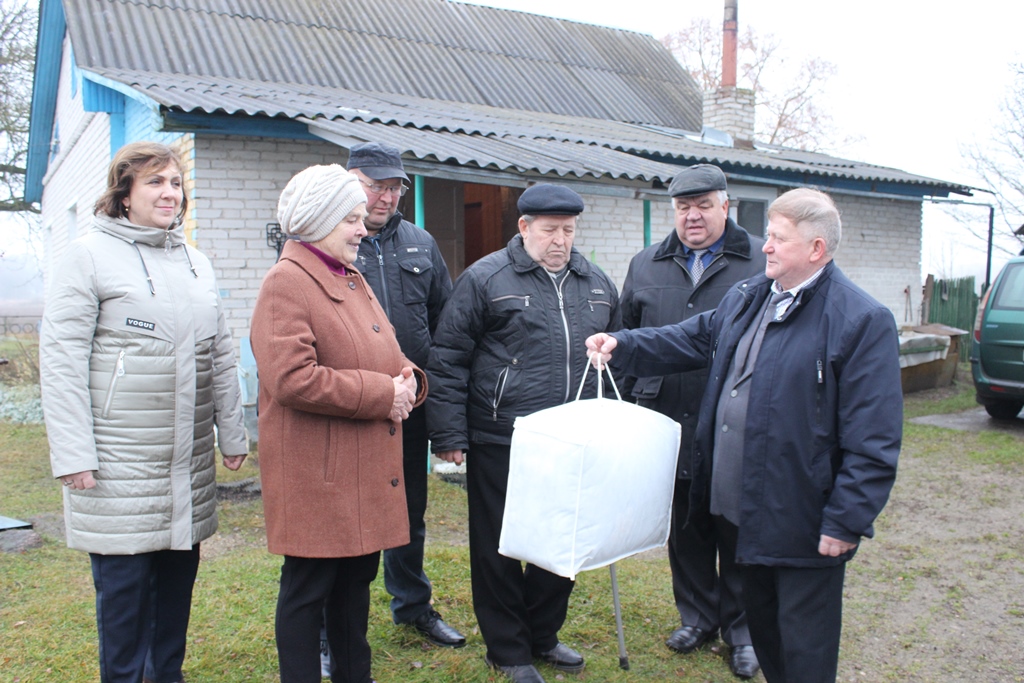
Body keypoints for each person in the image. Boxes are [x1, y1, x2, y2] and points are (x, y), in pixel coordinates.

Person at [586, 188, 902, 683]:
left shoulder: (859, 320)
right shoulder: (751, 296)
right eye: (769, 236)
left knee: (805, 649)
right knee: (768, 636)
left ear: (816, 249)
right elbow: (691, 336)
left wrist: (845, 521)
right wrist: (623, 343)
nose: (766, 247)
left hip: (803, 520)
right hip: (742, 509)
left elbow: (875, 438)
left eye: (777, 238)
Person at [39, 141, 248, 683]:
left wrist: (233, 432)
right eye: (155, 182)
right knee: (126, 610)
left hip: (185, 467)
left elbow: (221, 354)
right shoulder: (87, 256)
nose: (169, 192)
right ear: (124, 193)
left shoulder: (195, 262)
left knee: (174, 603)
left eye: (176, 182)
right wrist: (73, 453)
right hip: (118, 466)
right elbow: (61, 362)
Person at [427, 184, 621, 683]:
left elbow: (620, 354)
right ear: (524, 227)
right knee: (500, 546)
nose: (560, 241)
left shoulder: (596, 283)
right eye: (550, 230)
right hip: (502, 435)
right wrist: (449, 434)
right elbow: (448, 358)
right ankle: (508, 649)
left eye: (569, 231)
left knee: (563, 543)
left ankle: (542, 634)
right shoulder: (486, 278)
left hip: (573, 439)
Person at [250, 164, 426, 683]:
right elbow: (292, 379)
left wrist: (409, 379)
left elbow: (383, 350)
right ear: (320, 220)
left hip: (359, 467)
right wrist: (381, 394)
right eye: (350, 218)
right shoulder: (287, 282)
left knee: (354, 589)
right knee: (308, 591)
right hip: (318, 475)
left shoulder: (347, 276)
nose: (362, 228)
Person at [618, 164, 764, 679]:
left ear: (727, 206)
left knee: (736, 526)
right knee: (685, 526)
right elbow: (628, 335)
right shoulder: (646, 264)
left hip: (733, 414)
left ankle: (742, 632)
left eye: (703, 205)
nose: (693, 216)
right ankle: (697, 617)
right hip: (668, 414)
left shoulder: (760, 262)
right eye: (683, 207)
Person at [345, 142, 462, 648]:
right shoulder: (327, 243)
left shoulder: (421, 243)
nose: (387, 196)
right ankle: (338, 623)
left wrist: (441, 408)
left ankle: (412, 606)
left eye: (394, 187)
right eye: (377, 185)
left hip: (410, 406)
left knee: (409, 510)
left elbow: (446, 328)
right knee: (348, 514)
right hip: (352, 408)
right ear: (350, 182)